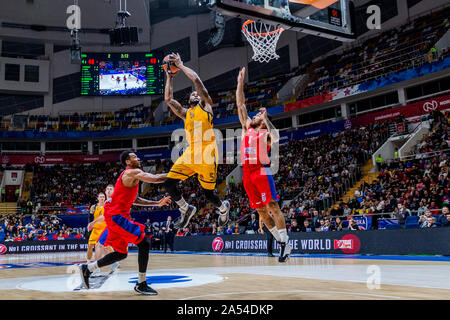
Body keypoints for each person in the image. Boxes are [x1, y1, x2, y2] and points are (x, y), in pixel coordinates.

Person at [79, 151, 171, 295]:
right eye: (134, 157)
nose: (138, 158)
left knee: (121, 253)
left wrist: (157, 203)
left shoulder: (131, 177)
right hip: (116, 216)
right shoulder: (131, 173)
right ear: (128, 161)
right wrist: (178, 174)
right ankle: (141, 283)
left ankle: (88, 269)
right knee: (144, 243)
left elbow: (135, 200)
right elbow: (154, 178)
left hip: (117, 216)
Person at [163, 53, 230, 230]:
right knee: (168, 183)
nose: (195, 94)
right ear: (189, 100)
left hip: (208, 152)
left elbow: (197, 81)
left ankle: (223, 209)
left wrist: (181, 65)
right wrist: (169, 77)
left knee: (208, 194)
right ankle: (186, 209)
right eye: (192, 94)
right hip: (190, 153)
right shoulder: (186, 113)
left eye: (196, 94)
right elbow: (168, 100)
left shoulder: (206, 106)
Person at [236, 67, 291, 262]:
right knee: (260, 211)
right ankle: (282, 242)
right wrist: (239, 83)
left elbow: (276, 138)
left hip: (260, 171)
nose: (255, 115)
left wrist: (266, 119)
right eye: (257, 116)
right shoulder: (246, 127)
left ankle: (285, 241)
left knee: (272, 207)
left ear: (262, 121)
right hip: (247, 175)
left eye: (258, 116)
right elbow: (240, 103)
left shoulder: (264, 133)